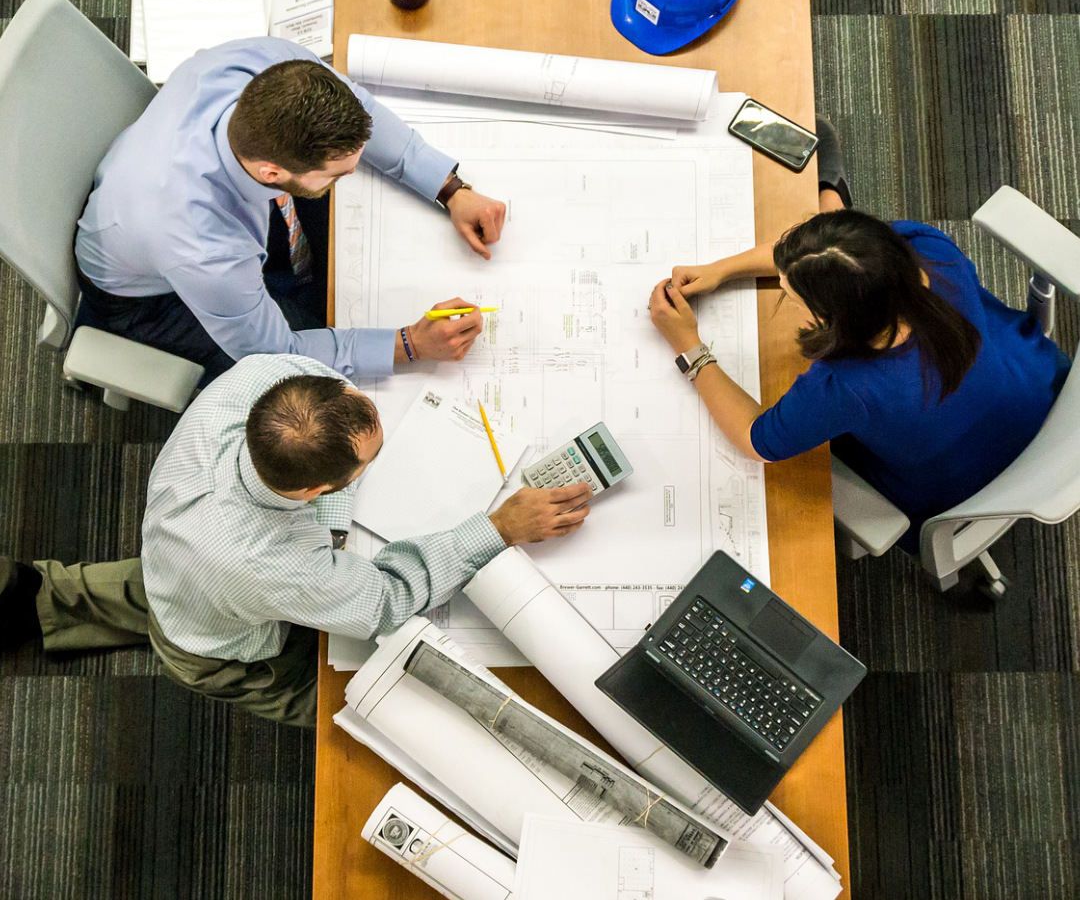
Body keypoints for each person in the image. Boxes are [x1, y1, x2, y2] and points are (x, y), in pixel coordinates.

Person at [0, 355, 592, 727]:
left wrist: (330, 528)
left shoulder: (259, 380)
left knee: (148, 589)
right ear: (312, 489)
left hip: (174, 558)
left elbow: (332, 384)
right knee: (368, 704)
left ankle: (32, 598)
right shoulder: (268, 565)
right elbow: (384, 599)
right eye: (371, 460)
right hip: (218, 647)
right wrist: (497, 528)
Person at [647, 122, 1070, 552]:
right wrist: (721, 269)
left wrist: (689, 347)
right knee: (821, 140)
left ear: (837, 319)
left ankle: (831, 191)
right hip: (1041, 388)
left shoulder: (846, 388)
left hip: (961, 486)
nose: (783, 292)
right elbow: (824, 256)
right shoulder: (924, 248)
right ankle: (832, 193)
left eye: (792, 295)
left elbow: (758, 441)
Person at [75, 38, 509, 383]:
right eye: (338, 173)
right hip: (148, 298)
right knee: (311, 382)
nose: (354, 172)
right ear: (271, 171)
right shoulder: (203, 247)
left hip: (153, 195)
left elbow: (364, 112)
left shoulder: (268, 63)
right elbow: (276, 353)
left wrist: (449, 189)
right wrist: (409, 344)